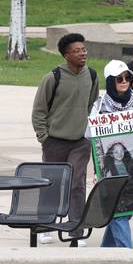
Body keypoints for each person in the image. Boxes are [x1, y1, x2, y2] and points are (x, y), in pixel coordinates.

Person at [31, 33, 100, 247]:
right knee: (52, 183)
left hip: (80, 142)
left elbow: (90, 104)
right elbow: (39, 111)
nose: (83, 53)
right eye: (77, 51)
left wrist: (83, 128)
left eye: (84, 49)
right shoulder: (53, 77)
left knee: (77, 185)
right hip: (55, 141)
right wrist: (45, 138)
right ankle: (45, 226)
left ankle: (76, 230)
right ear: (66, 55)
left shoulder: (92, 75)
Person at [89, 60, 133, 248]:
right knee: (118, 211)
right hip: (110, 170)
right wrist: (96, 170)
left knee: (122, 211)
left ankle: (104, 253)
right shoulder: (99, 107)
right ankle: (127, 255)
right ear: (109, 81)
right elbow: (94, 142)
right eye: (119, 79)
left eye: (127, 78)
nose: (124, 82)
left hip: (132, 169)